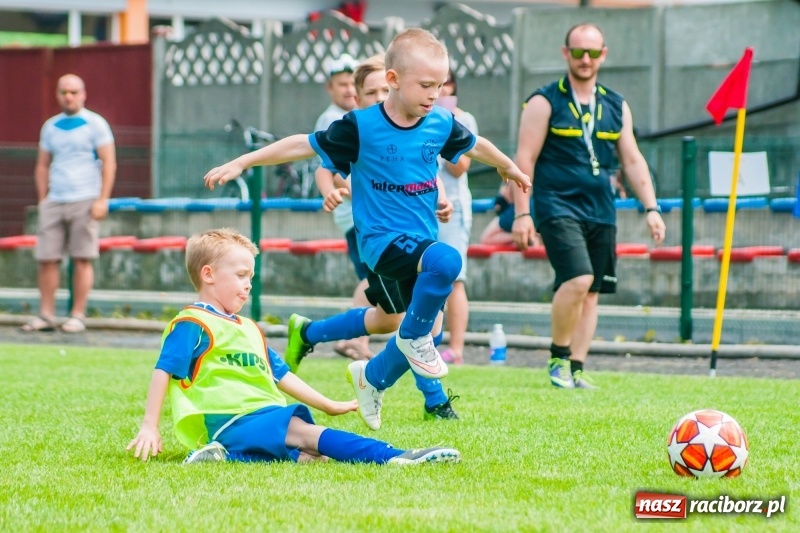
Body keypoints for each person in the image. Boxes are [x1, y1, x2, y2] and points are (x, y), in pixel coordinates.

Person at [204, 28, 530, 430]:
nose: (434, 94)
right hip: (380, 243)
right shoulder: (359, 126)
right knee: (444, 266)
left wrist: (507, 166)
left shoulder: (440, 122)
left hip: (419, 240)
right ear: (393, 80)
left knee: (426, 323)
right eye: (426, 85)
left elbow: (475, 144)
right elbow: (301, 145)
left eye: (440, 85)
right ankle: (425, 380)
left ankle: (371, 377)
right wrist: (245, 162)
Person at [125, 228, 461, 466]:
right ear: (209, 274)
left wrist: (328, 403)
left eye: (251, 278)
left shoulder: (248, 328)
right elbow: (163, 370)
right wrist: (150, 425)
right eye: (241, 275)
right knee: (308, 434)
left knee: (312, 457)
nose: (248, 286)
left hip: (259, 416)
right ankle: (395, 456)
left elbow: (281, 375)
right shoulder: (192, 323)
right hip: (229, 419)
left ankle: (224, 456)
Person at [287, 54, 460, 422]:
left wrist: (440, 195)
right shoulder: (356, 128)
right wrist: (332, 190)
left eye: (386, 88)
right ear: (357, 97)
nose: (382, 95)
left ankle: (309, 332)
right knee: (419, 323)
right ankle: (434, 399)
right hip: (377, 236)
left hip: (411, 235)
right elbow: (327, 167)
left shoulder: (409, 124)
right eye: (372, 91)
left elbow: (422, 168)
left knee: (390, 319)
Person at [512, 23, 665, 389]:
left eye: (593, 53)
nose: (585, 59)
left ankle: (577, 369)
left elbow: (632, 160)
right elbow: (524, 159)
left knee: (592, 289)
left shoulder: (615, 104)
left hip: (601, 208)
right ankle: (557, 359)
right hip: (556, 204)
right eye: (578, 52)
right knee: (577, 278)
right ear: (565, 53)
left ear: (603, 55)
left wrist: (652, 207)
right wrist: (522, 212)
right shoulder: (543, 101)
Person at [22, 74, 116, 334]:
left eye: (74, 92)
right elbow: (42, 164)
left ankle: (77, 315)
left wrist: (102, 199)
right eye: (64, 92)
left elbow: (109, 162)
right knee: (46, 258)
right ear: (58, 94)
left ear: (83, 94)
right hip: (55, 199)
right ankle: (46, 315)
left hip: (85, 198)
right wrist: (43, 199)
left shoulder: (95, 124)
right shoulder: (50, 126)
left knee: (82, 258)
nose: (69, 96)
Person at [312, 53, 372, 360]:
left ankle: (354, 339)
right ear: (330, 88)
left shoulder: (356, 118)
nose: (349, 90)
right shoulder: (333, 119)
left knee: (373, 277)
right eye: (342, 84)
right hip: (356, 215)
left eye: (352, 83)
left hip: (363, 213)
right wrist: (353, 190)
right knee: (370, 277)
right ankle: (353, 339)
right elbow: (331, 167)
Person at [434, 71, 478, 366]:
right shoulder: (416, 117)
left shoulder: (464, 119)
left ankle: (457, 348)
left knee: (454, 278)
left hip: (454, 207)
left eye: (446, 85)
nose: (441, 91)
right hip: (422, 205)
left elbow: (460, 168)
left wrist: (444, 129)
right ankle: (428, 341)